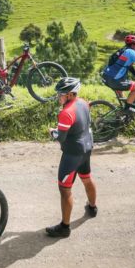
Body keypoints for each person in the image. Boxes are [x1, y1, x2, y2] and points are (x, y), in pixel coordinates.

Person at [46, 77, 97, 238]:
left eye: (60, 94)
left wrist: (53, 132)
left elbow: (60, 137)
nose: (57, 97)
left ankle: (64, 227)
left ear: (69, 94)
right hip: (87, 148)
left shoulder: (65, 113)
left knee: (65, 188)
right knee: (87, 178)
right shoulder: (83, 102)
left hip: (72, 154)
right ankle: (92, 207)